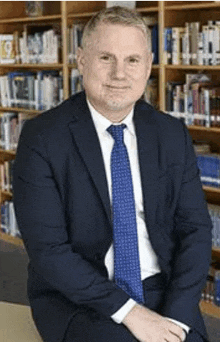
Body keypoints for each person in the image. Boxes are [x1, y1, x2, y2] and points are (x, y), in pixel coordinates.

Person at [13, 6, 212, 342]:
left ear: (148, 65)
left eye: (132, 60)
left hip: (163, 291)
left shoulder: (170, 133)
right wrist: (131, 313)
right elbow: (49, 251)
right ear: (81, 60)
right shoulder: (42, 138)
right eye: (106, 57)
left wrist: (178, 317)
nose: (120, 73)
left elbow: (195, 229)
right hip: (79, 298)